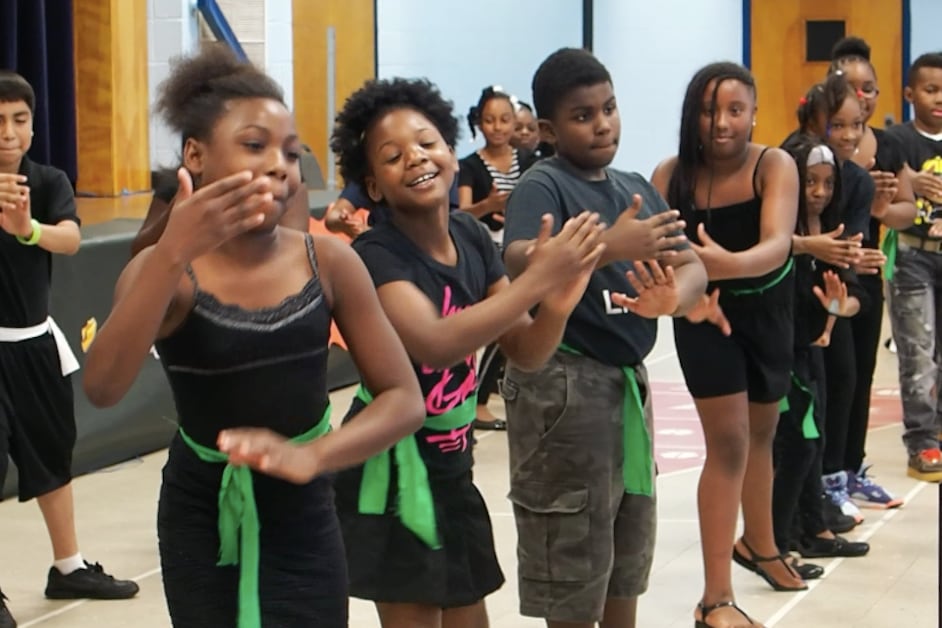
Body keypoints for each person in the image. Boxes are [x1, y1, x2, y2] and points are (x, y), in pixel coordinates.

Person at [82, 47, 425, 628]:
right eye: (253, 145)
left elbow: (403, 398)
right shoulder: (165, 273)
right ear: (196, 154)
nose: (278, 165)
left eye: (290, 153)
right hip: (202, 514)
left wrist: (311, 455)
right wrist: (171, 252)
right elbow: (102, 387)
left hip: (304, 514)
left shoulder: (330, 262)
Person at [325, 76, 604, 628]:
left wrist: (558, 305)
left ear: (450, 153)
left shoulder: (472, 239)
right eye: (392, 155)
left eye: (427, 142)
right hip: (394, 474)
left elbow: (524, 350)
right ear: (373, 186)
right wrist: (535, 281)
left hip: (452, 468)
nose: (416, 158)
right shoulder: (376, 256)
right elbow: (434, 342)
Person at [503, 48, 706, 628]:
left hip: (626, 386)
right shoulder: (543, 186)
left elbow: (692, 267)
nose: (602, 124)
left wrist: (675, 298)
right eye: (583, 114)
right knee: (573, 565)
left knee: (626, 552)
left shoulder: (633, 186)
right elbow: (521, 260)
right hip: (564, 386)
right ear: (547, 129)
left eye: (609, 108)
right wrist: (611, 247)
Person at [651, 62, 801, 626]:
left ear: (754, 113)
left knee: (763, 432)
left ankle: (759, 545)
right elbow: (653, 253)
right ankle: (715, 597)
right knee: (730, 442)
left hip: (767, 314)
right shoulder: (670, 175)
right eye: (710, 111)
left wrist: (724, 265)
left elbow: (777, 245)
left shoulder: (774, 164)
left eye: (735, 110)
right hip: (703, 318)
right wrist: (691, 295)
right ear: (692, 117)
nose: (721, 123)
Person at [0, 70, 139, 628]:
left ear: (33, 126)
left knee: (53, 456)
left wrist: (24, 227)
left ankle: (68, 566)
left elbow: (72, 238)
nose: (8, 132)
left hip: (34, 345)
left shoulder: (48, 180)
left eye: (19, 120)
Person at [770, 137, 869, 575]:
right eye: (810, 181)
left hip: (812, 352)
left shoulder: (833, 232)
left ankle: (814, 528)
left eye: (828, 183)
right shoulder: (777, 233)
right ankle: (780, 541)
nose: (819, 192)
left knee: (815, 441)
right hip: (783, 353)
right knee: (795, 445)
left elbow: (852, 298)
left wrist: (836, 310)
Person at [825, 36, 915, 508]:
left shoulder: (890, 144)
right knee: (832, 378)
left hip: (869, 273)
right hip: (825, 277)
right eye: (850, 86)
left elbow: (905, 210)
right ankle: (824, 476)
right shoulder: (816, 146)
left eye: (869, 88)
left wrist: (880, 206)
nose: (862, 96)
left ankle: (851, 469)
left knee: (860, 376)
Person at [793, 73, 885, 526]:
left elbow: (854, 252)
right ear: (814, 122)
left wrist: (846, 269)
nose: (849, 135)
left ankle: (835, 478)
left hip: (838, 290)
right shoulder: (786, 164)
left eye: (856, 126)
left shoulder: (857, 183)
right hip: (795, 294)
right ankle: (804, 494)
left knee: (844, 380)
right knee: (804, 398)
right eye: (837, 126)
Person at [459, 86, 540, 430]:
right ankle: (476, 400)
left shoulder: (532, 163)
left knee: (528, 323)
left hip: (525, 249)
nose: (498, 127)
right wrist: (488, 206)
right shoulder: (470, 167)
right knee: (500, 324)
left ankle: (514, 393)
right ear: (479, 123)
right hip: (488, 252)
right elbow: (461, 214)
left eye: (505, 119)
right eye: (490, 120)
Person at [885, 51, 942, 482]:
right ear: (910, 94)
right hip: (911, 256)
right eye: (930, 89)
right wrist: (911, 180)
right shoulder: (897, 141)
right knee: (918, 352)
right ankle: (923, 439)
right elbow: (885, 180)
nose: (939, 99)